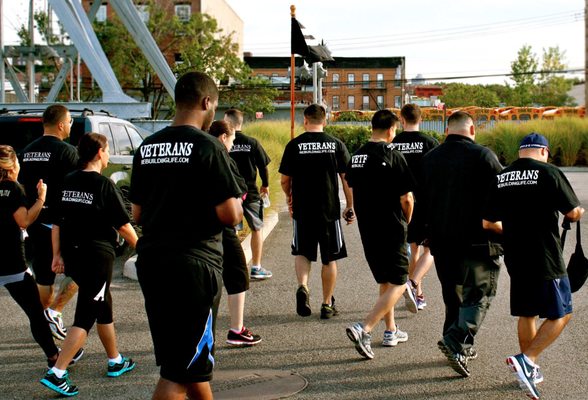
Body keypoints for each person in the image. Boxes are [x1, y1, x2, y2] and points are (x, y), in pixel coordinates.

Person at [130, 72, 243, 400]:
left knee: (188, 362)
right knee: (178, 373)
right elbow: (230, 214)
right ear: (207, 103)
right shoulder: (209, 147)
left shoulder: (147, 147)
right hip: (194, 265)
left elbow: (137, 214)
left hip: (152, 262)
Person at [482, 133, 584, 400]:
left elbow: (488, 223)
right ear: (544, 151)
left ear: (520, 152)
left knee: (528, 313)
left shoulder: (502, 177)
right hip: (546, 255)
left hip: (516, 255)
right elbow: (572, 212)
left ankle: (529, 370)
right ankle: (527, 359)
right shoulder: (549, 172)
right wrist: (579, 213)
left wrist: (513, 232)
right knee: (563, 312)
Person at [40, 133, 138, 397]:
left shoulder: (67, 182)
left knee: (102, 306)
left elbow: (57, 223)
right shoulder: (104, 186)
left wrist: (57, 255)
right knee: (85, 316)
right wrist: (145, 249)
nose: (108, 156)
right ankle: (57, 372)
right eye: (106, 150)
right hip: (97, 259)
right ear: (98, 153)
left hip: (74, 257)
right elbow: (124, 226)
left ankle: (115, 360)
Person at [422, 111, 503, 377]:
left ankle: (455, 345)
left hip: (441, 239)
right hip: (477, 240)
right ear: (472, 130)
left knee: (452, 295)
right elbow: (503, 192)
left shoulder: (430, 159)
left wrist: (424, 233)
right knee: (480, 293)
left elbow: (422, 200)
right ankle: (456, 341)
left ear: (447, 130)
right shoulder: (483, 156)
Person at [344, 110, 415, 359]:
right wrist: (408, 221)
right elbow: (406, 198)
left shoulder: (356, 157)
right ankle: (364, 328)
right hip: (391, 226)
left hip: (368, 228)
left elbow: (350, 183)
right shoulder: (393, 155)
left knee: (385, 281)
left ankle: (391, 330)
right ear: (391, 130)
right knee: (398, 281)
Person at [0, 145, 72, 370]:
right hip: (11, 263)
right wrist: (41, 198)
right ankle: (53, 357)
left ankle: (53, 355)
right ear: (13, 166)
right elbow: (24, 220)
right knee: (36, 313)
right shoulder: (13, 189)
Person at [279, 104, 354, 320]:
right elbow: (346, 178)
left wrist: (289, 197)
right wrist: (349, 205)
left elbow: (285, 179)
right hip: (329, 210)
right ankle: (326, 303)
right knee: (329, 259)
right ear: (325, 120)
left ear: (305, 120)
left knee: (303, 252)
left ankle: (303, 286)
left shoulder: (294, 145)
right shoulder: (336, 144)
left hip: (303, 210)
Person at [18, 104, 79, 341]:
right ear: (61, 124)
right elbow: (78, 185)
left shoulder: (26, 152)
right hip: (61, 223)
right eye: (70, 121)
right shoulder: (67, 152)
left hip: (33, 223)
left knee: (44, 277)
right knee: (83, 271)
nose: (71, 126)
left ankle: (44, 321)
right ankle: (54, 312)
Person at [208, 120, 261, 346]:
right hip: (220, 225)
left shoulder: (198, 152)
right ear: (223, 137)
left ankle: (202, 334)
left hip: (194, 228)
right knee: (237, 272)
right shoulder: (221, 158)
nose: (232, 144)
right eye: (231, 140)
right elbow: (237, 194)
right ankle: (236, 329)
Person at [392, 104, 439, 311]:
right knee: (431, 248)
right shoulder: (430, 143)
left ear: (402, 119)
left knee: (413, 248)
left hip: (401, 202)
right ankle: (414, 287)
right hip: (427, 203)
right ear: (421, 119)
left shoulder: (393, 143)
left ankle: (417, 292)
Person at [224, 109, 273, 280]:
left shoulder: (222, 143)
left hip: (230, 194)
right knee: (256, 229)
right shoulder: (252, 142)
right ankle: (256, 267)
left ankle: (234, 267)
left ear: (228, 122)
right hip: (251, 193)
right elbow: (263, 166)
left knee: (233, 232)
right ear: (241, 122)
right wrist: (265, 185)